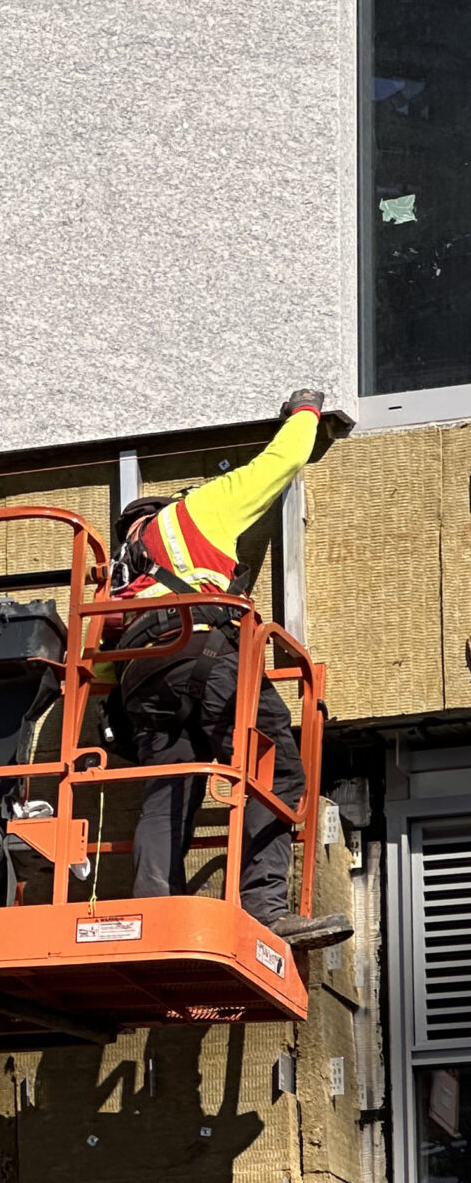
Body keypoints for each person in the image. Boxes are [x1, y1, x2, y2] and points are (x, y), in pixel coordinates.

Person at [104, 389, 349, 949]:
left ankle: (154, 916)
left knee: (165, 790)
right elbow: (279, 463)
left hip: (141, 682)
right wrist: (305, 411)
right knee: (276, 772)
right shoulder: (195, 513)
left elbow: (97, 672)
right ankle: (265, 911)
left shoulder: (118, 579)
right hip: (204, 650)